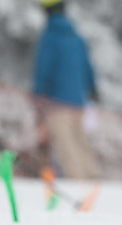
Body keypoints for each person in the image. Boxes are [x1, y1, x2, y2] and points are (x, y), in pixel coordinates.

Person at [33, 0, 100, 180]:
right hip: (78, 100)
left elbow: (44, 68)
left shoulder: (50, 37)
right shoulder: (77, 37)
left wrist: (39, 95)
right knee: (81, 141)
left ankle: (79, 183)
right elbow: (87, 67)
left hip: (57, 101)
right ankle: (92, 177)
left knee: (66, 144)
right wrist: (92, 88)